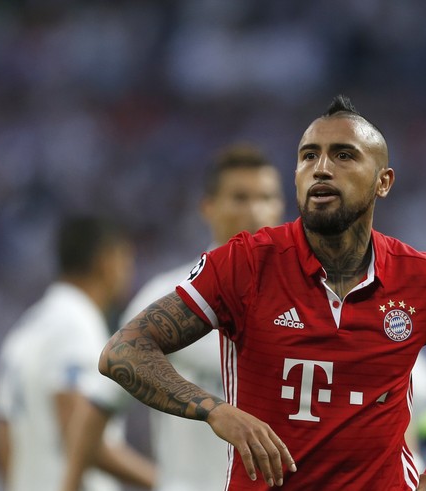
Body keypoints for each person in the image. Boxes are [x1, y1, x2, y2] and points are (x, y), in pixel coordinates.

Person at [99, 95, 426, 490]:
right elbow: (124, 350)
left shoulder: (423, 278)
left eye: (344, 155)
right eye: (309, 156)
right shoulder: (245, 264)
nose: (322, 168)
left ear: (384, 182)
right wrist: (215, 410)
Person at [62, 144, 285, 491]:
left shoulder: (308, 302)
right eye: (240, 198)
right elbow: (97, 405)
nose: (255, 211)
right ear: (207, 207)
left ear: (281, 207)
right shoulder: (169, 299)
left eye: (266, 197)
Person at [0, 215, 155, 491]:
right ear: (107, 260)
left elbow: (3, 437)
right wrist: (163, 480)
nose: (130, 270)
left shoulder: (27, 326)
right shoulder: (75, 325)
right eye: (127, 259)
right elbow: (78, 433)